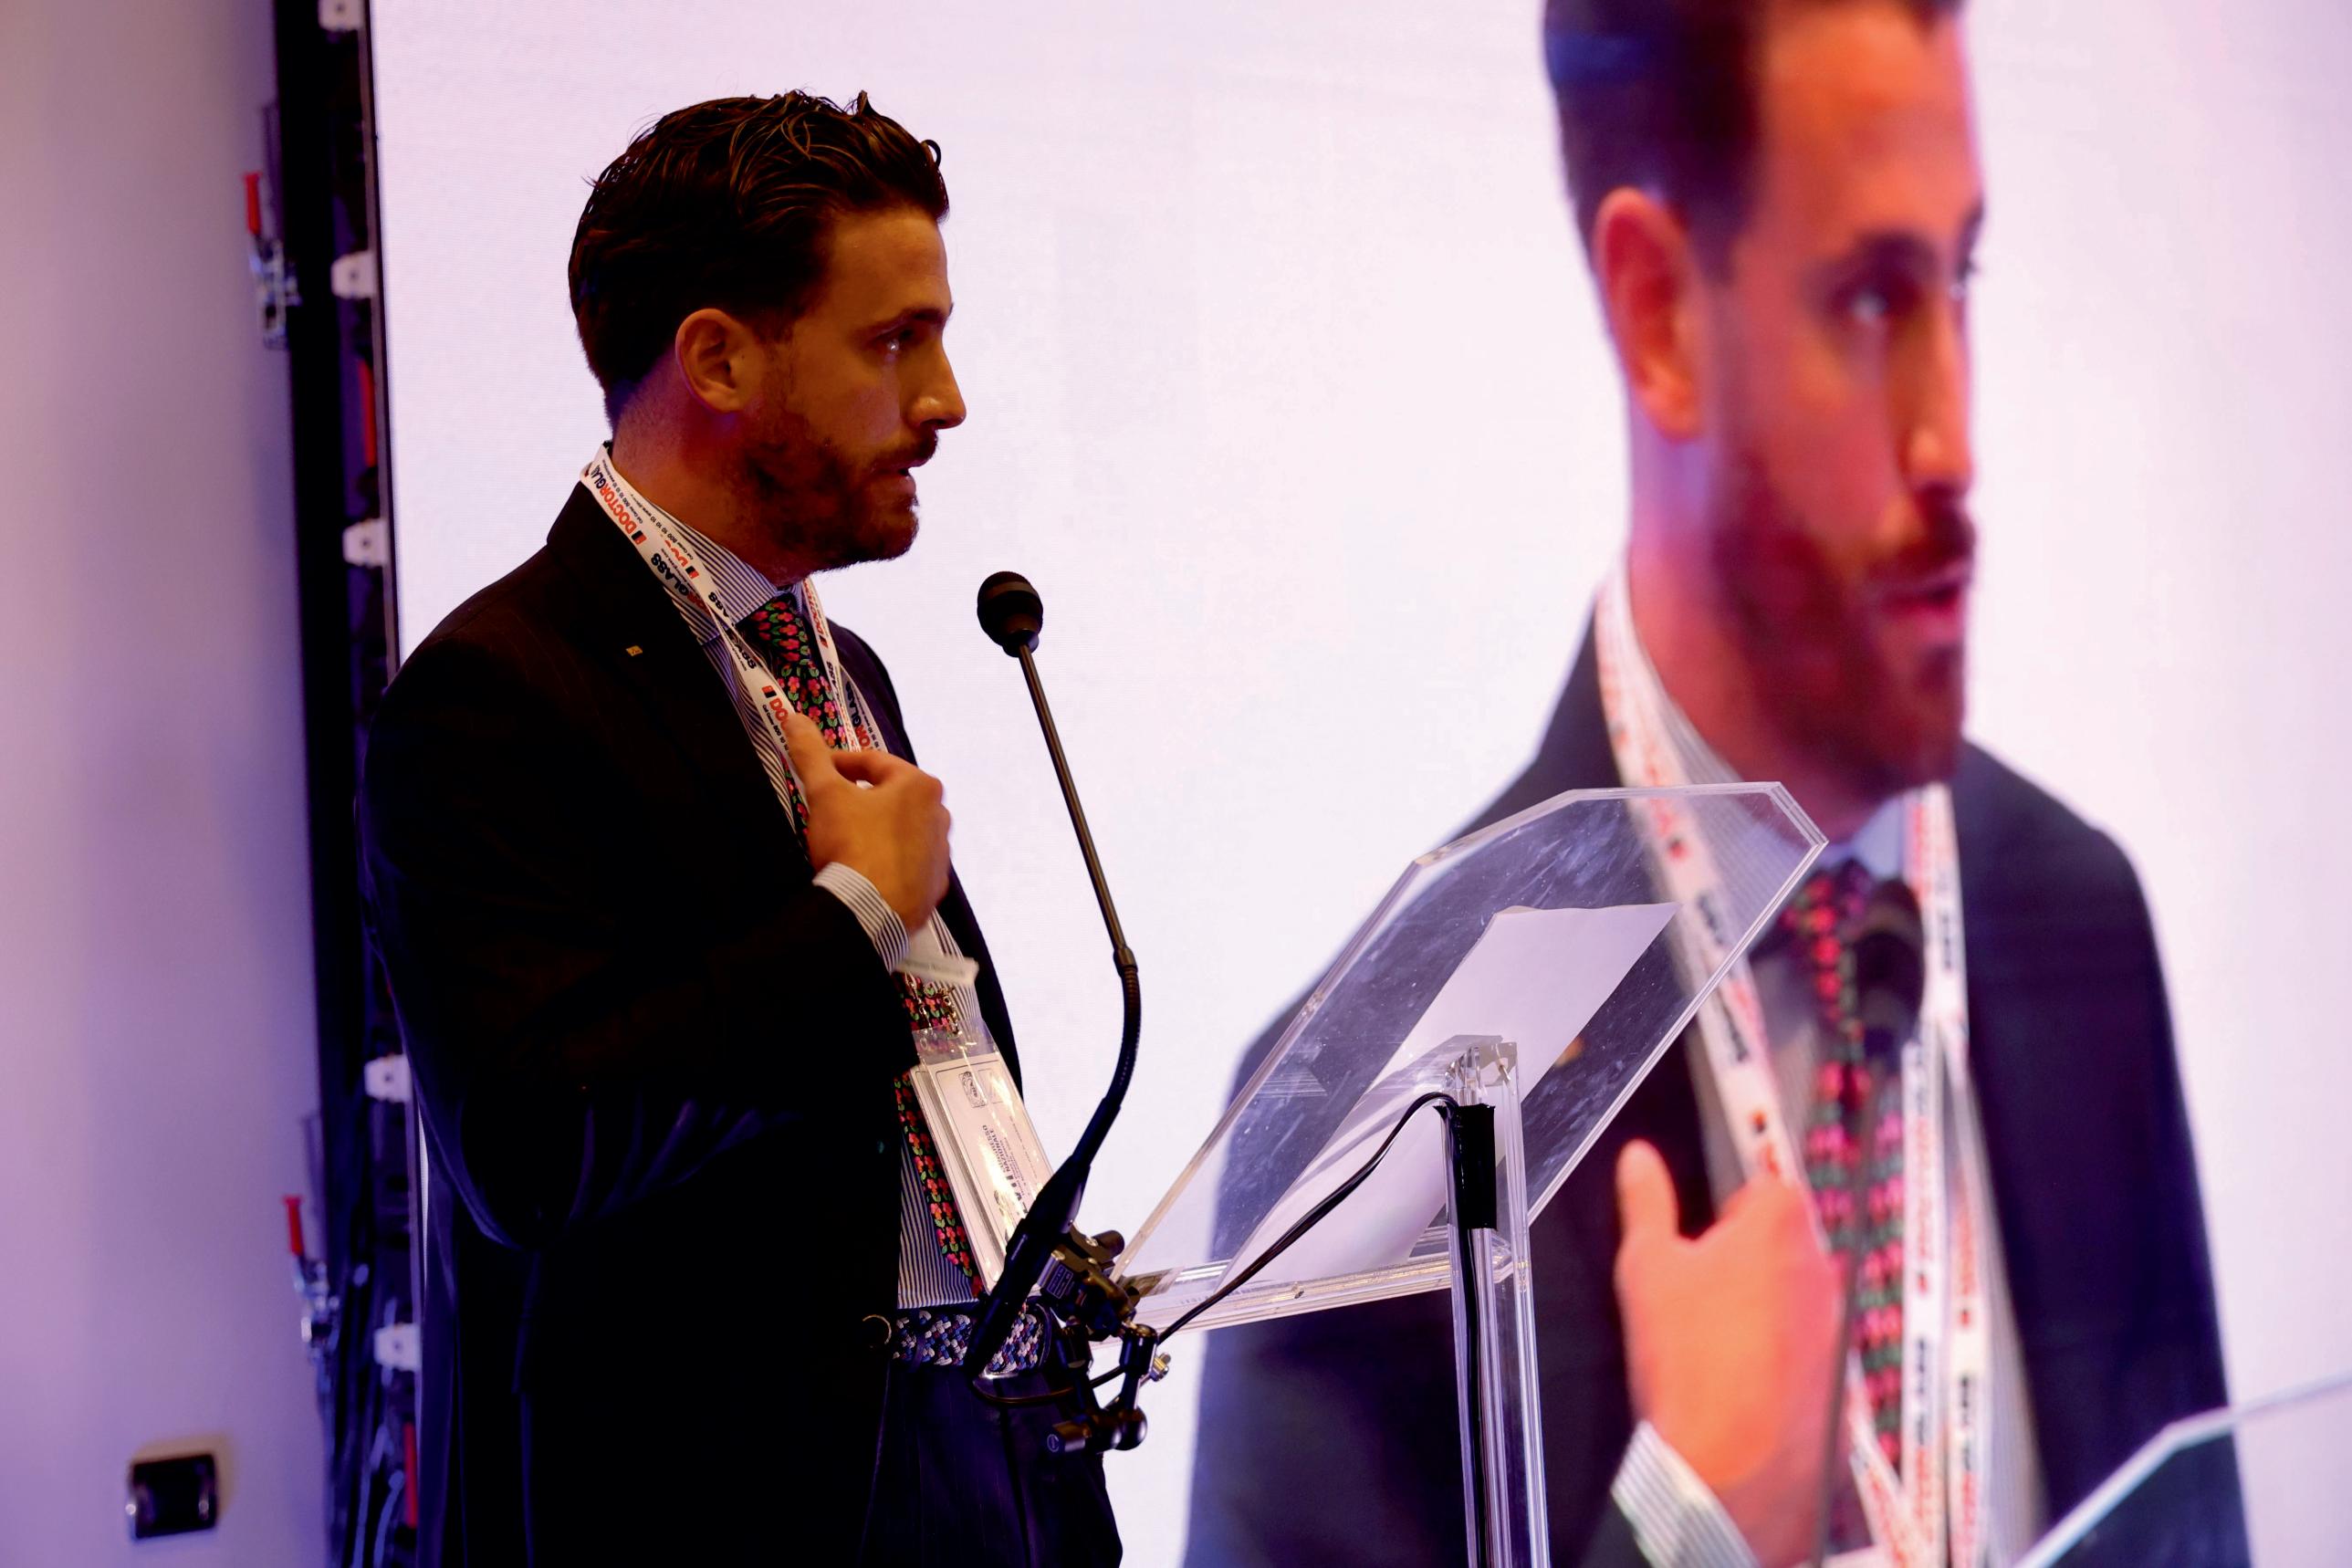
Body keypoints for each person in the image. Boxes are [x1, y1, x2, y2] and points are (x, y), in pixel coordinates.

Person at [1186, 3, 2233, 1564]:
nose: (1952, 439)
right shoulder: (1364, 1132)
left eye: (1958, 280)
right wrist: (1685, 1527)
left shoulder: (2076, 915)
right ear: (1660, 312)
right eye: (1870, 299)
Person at [358, 92, 1120, 1566]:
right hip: (716, 1509)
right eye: (894, 341)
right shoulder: (494, 693)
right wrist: (850, 915)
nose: (946, 398)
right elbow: (528, 1151)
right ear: (716, 358)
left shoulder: (842, 663)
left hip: (981, 1459)